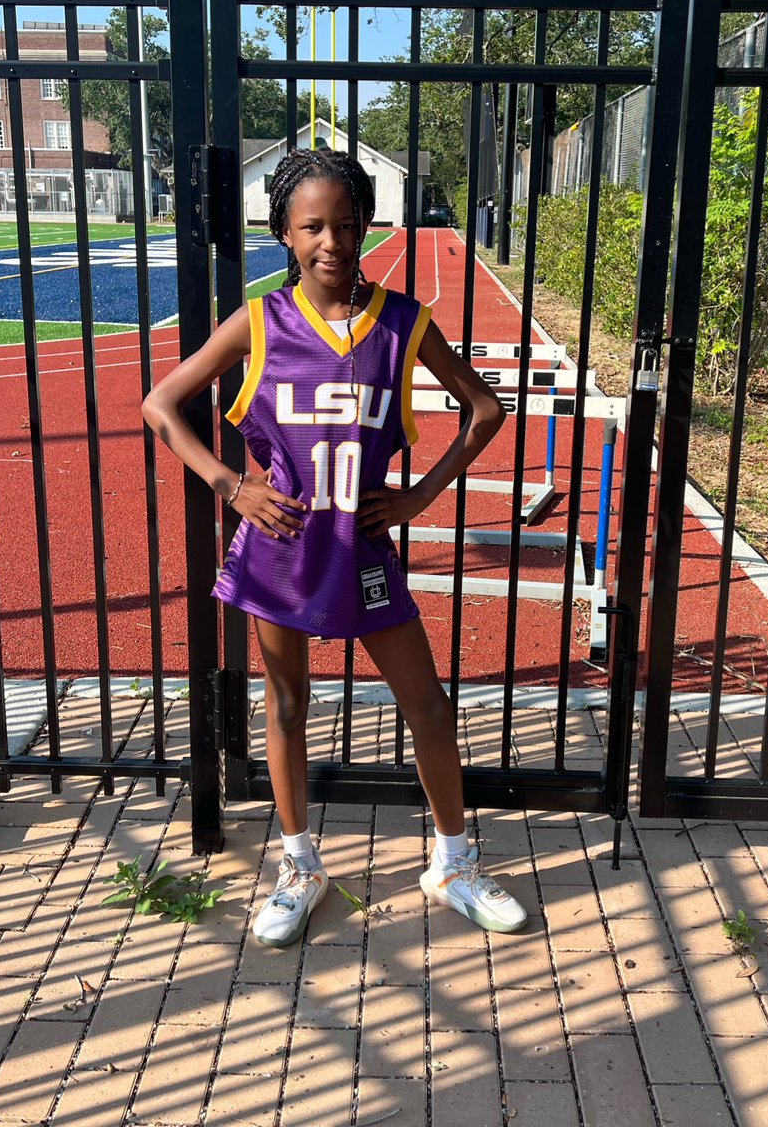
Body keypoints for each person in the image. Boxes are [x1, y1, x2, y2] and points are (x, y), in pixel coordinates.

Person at [143, 147, 527, 947]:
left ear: (364, 228)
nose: (332, 241)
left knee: (427, 706)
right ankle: (299, 865)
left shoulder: (402, 320)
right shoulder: (258, 322)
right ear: (283, 232)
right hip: (278, 549)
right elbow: (162, 404)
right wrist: (230, 484)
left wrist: (423, 494)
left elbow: (483, 410)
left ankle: (452, 862)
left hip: (361, 548)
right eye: (312, 226)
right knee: (286, 704)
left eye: (345, 224)